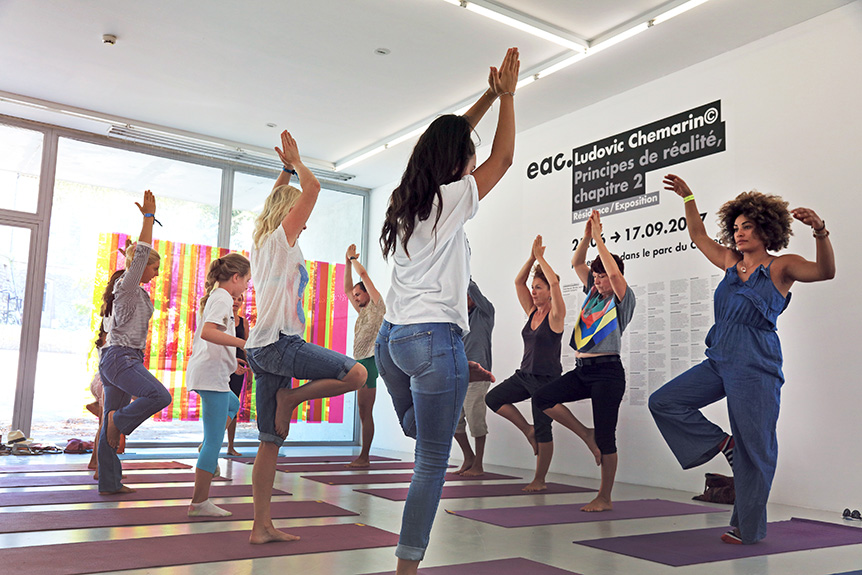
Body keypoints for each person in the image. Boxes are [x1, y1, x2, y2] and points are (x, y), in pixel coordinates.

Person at [375, 47, 518, 575]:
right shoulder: (449, 199)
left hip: (394, 342)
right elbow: (502, 160)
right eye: (466, 157)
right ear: (457, 165)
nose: (473, 164)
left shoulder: (403, 202)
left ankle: (449, 387)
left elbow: (440, 140)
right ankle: (406, 569)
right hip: (434, 341)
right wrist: (510, 98)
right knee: (431, 462)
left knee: (421, 430)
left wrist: (489, 94)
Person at [648, 174, 835, 545]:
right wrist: (689, 197)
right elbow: (699, 238)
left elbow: (825, 272)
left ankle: (748, 529)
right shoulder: (731, 263)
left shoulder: (782, 267)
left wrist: (820, 232)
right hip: (720, 358)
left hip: (756, 366)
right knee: (665, 401)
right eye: (735, 227)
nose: (739, 234)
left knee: (757, 449)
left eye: (747, 227)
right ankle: (724, 445)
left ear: (766, 230)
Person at [245, 130, 367, 544]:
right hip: (280, 343)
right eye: (298, 211)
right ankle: (292, 399)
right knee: (356, 375)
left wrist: (282, 171)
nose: (306, 217)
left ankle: (261, 527)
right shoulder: (280, 239)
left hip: (261, 349)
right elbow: (313, 188)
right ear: (288, 213)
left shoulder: (261, 242)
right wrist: (298, 163)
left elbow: (280, 198)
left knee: (269, 441)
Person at [533, 210, 636, 512]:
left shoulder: (622, 298)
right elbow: (578, 263)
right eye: (598, 274)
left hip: (608, 372)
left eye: (604, 274)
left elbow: (615, 275)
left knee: (608, 437)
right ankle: (585, 433)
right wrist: (588, 237)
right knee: (542, 397)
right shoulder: (592, 292)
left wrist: (601, 239)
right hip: (582, 371)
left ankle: (604, 496)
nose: (600, 278)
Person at [97, 191, 173, 494]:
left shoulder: (139, 293)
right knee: (160, 397)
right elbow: (140, 253)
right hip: (120, 358)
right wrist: (148, 219)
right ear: (141, 268)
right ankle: (120, 421)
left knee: (108, 422)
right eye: (155, 269)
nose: (157, 274)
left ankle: (109, 483)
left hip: (122, 359)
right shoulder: (127, 286)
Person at [485, 234, 564, 492]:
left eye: (539, 287)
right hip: (524, 375)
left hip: (546, 379)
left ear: (550, 292)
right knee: (493, 399)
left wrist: (542, 257)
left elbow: (555, 281)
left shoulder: (556, 314)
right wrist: (531, 257)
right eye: (534, 288)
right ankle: (526, 430)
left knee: (545, 428)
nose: (534, 290)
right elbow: (518, 281)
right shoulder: (532, 311)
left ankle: (540, 479)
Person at [186, 253, 251, 517]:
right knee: (215, 441)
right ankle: (199, 503)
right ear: (235, 277)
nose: (247, 287)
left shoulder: (219, 297)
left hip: (212, 371)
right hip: (211, 376)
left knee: (233, 405)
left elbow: (212, 338)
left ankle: (206, 449)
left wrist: (231, 361)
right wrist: (243, 344)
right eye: (246, 281)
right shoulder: (223, 298)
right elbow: (208, 332)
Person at [343, 243, 386, 468]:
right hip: (359, 362)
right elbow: (347, 288)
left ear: (369, 293)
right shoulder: (362, 310)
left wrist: (352, 259)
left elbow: (363, 274)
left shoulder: (377, 305)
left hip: (369, 361)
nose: (356, 298)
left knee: (365, 410)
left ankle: (364, 456)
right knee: (362, 410)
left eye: (359, 294)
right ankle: (364, 455)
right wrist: (345, 262)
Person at [453, 279, 495, 476]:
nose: (466, 298)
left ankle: (479, 464)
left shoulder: (485, 313)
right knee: (454, 421)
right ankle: (469, 457)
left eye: (468, 295)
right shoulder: (459, 319)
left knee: (476, 420)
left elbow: (474, 291)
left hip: (478, 376)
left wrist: (464, 274)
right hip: (458, 375)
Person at [226, 292, 248, 457]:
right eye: (234, 298)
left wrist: (250, 365)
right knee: (221, 405)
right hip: (224, 365)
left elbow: (246, 345)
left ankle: (230, 446)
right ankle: (211, 441)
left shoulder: (243, 322)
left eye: (239, 299)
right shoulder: (223, 320)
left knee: (233, 406)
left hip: (239, 367)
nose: (236, 301)